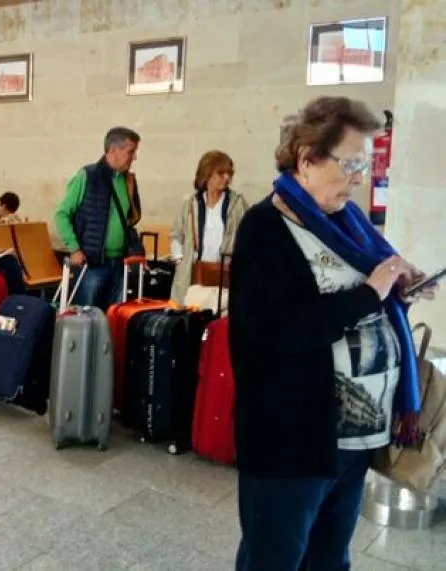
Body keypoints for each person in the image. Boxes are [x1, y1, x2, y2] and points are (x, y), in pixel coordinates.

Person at [229, 96, 437, 571]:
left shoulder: (347, 222)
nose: (360, 177)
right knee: (275, 559)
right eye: (351, 163)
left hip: (355, 438)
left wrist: (397, 295)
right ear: (306, 158)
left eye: (365, 164)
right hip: (293, 438)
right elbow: (274, 332)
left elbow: (362, 302)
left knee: (329, 561)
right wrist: (369, 294)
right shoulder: (266, 227)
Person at [54, 127, 142, 309]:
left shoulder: (128, 180)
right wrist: (74, 249)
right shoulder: (87, 176)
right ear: (113, 150)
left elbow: (129, 219)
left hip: (120, 263)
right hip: (92, 263)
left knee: (114, 318)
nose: (134, 157)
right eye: (131, 151)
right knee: (86, 317)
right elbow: (62, 214)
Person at [168, 150, 248, 304]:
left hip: (225, 275)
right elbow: (176, 235)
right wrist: (180, 261)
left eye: (229, 174)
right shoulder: (190, 203)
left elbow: (249, 235)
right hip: (194, 276)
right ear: (207, 175)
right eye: (221, 173)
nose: (227, 178)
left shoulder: (237, 203)